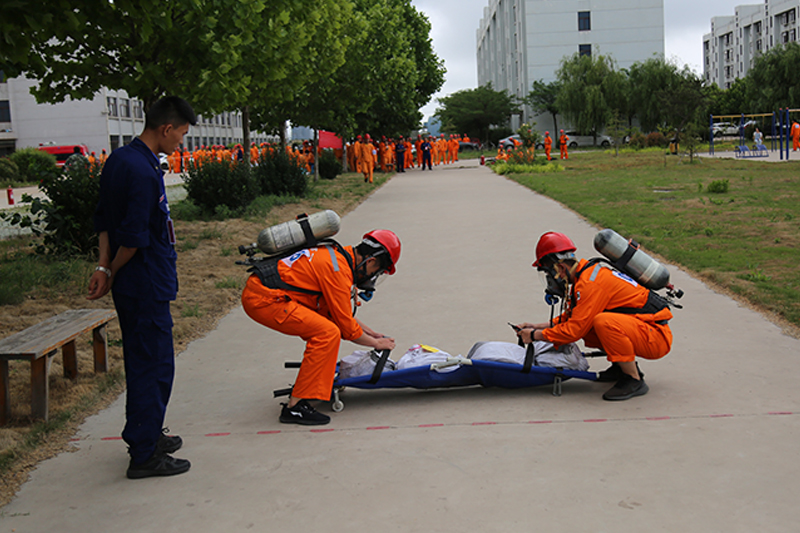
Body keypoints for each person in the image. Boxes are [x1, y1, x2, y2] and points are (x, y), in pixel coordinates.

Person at [87, 96, 197, 479]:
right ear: (166, 128)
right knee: (154, 365)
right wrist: (113, 270)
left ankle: (147, 434)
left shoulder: (121, 160)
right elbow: (132, 239)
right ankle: (145, 453)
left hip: (136, 282)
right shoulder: (143, 171)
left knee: (143, 360)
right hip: (145, 281)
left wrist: (103, 265)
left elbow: (104, 220)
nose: (181, 141)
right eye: (181, 134)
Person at [241, 230, 401, 425]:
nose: (372, 278)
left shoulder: (337, 255)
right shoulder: (338, 271)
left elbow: (338, 313)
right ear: (371, 261)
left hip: (265, 292)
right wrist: (376, 344)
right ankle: (295, 407)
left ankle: (309, 389)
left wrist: (372, 333)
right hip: (264, 299)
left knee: (328, 329)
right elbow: (347, 328)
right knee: (327, 333)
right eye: (377, 272)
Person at [515, 232, 673, 401]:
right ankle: (620, 367)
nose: (553, 279)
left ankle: (633, 379)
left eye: (550, 274)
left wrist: (534, 336)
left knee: (603, 322)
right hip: (642, 328)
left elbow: (573, 331)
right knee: (590, 324)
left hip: (655, 337)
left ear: (560, 267)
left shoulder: (589, 283)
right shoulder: (584, 275)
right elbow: (573, 318)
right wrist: (536, 326)